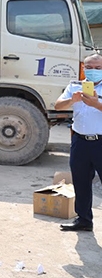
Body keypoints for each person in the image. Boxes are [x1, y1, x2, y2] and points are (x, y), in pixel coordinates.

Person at [55, 53, 102, 232]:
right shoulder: (74, 86)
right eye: (89, 67)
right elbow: (58, 105)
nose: (93, 71)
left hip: (101, 141)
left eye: (98, 68)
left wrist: (96, 104)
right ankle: (83, 220)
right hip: (80, 141)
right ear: (83, 69)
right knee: (81, 181)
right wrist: (71, 100)